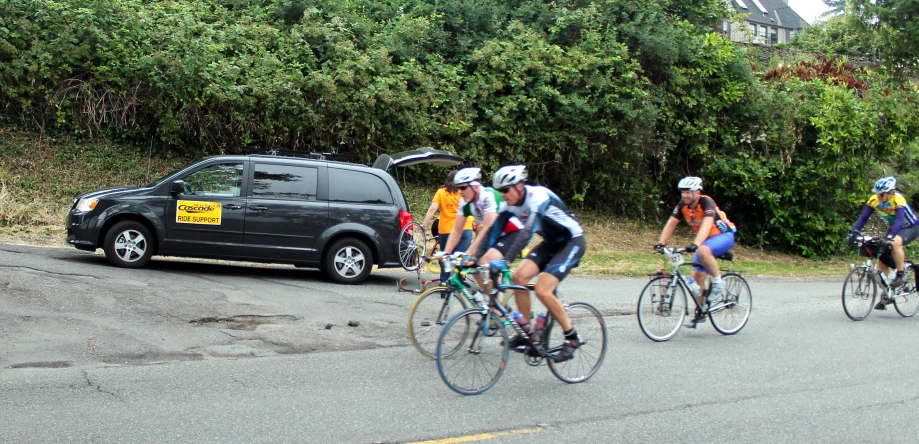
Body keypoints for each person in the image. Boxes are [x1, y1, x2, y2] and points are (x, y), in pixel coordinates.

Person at [473, 165, 585, 363]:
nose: (503, 195)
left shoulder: (538, 197)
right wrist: (475, 259)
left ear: (520, 187)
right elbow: (493, 231)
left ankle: (571, 338)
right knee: (519, 277)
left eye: (506, 190)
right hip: (550, 243)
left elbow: (527, 233)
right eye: (500, 191)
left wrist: (506, 260)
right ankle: (527, 332)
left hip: (571, 242)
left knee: (543, 290)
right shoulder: (509, 205)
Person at [655, 176, 736, 328]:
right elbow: (671, 223)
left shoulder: (707, 202)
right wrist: (661, 243)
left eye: (689, 192)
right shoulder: (682, 206)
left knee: (703, 250)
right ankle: (701, 310)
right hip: (706, 241)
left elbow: (707, 224)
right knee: (698, 276)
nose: (685, 195)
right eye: (683, 192)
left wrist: (695, 244)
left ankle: (718, 282)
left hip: (724, 236)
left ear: (698, 192)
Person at [441, 167, 523, 294]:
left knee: (485, 260)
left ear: (475, 186)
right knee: (472, 264)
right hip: (495, 234)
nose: (459, 191)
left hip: (512, 232)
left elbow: (487, 228)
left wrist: (467, 253)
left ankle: (497, 307)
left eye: (463, 188)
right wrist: (446, 252)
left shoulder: (488, 196)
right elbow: (457, 230)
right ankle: (490, 299)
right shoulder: (465, 202)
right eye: (458, 188)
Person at [846, 176, 919, 310]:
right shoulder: (874, 200)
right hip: (895, 228)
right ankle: (887, 294)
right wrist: (853, 233)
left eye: (882, 194)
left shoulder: (898, 199)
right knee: (881, 261)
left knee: (894, 243)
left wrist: (890, 237)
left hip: (910, 227)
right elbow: (863, 218)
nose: (878, 196)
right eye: (877, 193)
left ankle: (901, 274)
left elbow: (898, 220)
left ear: (891, 192)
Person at [422, 170, 474, 280]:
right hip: (465, 228)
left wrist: (424, 224)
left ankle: (444, 283)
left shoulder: (441, 192)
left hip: (446, 230)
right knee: (460, 258)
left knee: (446, 257)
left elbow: (432, 209)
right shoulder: (464, 191)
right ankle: (459, 283)